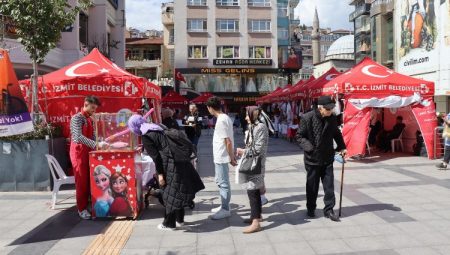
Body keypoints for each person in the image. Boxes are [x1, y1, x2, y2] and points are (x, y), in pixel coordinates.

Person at [127, 115, 205, 230]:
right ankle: (180, 220)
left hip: (169, 164)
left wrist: (160, 175)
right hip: (179, 161)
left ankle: (169, 223)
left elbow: (156, 157)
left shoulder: (145, 135)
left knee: (169, 194)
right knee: (177, 191)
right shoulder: (156, 127)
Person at [296, 96, 346, 222]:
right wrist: (310, 148)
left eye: (331, 109)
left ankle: (329, 209)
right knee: (312, 185)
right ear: (320, 107)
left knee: (329, 185)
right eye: (327, 109)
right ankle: (311, 208)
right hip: (312, 158)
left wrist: (342, 147)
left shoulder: (332, 118)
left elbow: (336, 133)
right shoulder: (307, 118)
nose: (330, 111)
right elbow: (300, 136)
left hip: (327, 157)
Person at [70, 96, 108, 220]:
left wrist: (101, 140)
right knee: (81, 182)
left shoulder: (89, 119)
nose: (93, 111)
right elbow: (78, 137)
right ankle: (81, 209)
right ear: (85, 104)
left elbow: (92, 136)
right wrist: (96, 144)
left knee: (88, 180)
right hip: (78, 153)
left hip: (88, 152)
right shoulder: (77, 118)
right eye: (92, 108)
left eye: (95, 109)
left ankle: (88, 205)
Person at [236, 106, 269, 234]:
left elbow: (258, 148)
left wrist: (243, 151)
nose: (245, 117)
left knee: (252, 191)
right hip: (252, 162)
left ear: (252, 115)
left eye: (247, 115)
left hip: (257, 163)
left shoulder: (260, 127)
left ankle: (256, 222)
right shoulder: (253, 127)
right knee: (253, 190)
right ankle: (257, 215)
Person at [206, 96, 237, 220]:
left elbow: (227, 141)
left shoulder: (221, 120)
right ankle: (224, 206)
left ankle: (225, 209)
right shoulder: (224, 118)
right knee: (220, 181)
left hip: (222, 156)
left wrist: (231, 157)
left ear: (210, 108)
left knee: (223, 183)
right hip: (221, 156)